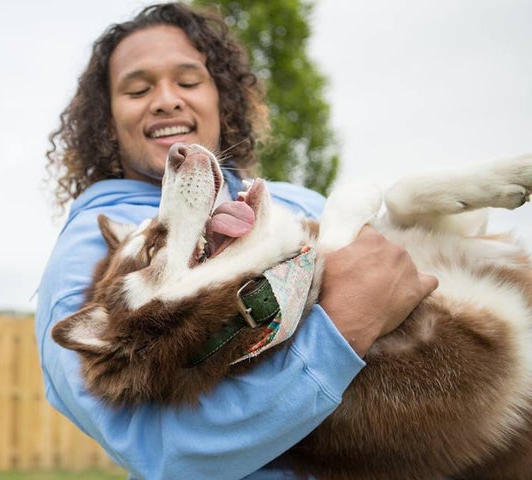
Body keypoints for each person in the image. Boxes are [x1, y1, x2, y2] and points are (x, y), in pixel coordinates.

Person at [35, 3, 438, 479]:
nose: (166, 99)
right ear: (105, 119)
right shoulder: (91, 252)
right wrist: (344, 327)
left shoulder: (295, 200)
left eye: (188, 81)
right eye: (138, 88)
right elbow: (163, 453)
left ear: (222, 97)